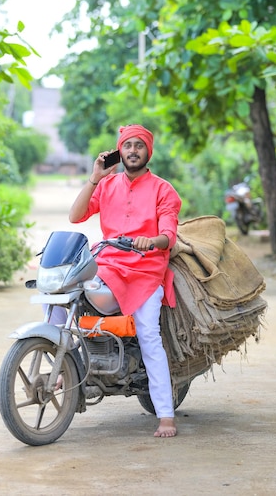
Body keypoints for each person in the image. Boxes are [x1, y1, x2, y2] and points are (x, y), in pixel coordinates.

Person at [69, 124, 181, 438]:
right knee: (67, 297)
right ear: (121, 150)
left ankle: (165, 416)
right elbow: (75, 216)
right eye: (127, 145)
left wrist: (153, 241)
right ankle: (65, 363)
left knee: (147, 332)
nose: (132, 151)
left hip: (145, 271)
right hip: (107, 263)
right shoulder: (106, 185)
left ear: (148, 152)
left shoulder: (163, 189)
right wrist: (95, 177)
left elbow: (169, 234)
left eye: (139, 146)